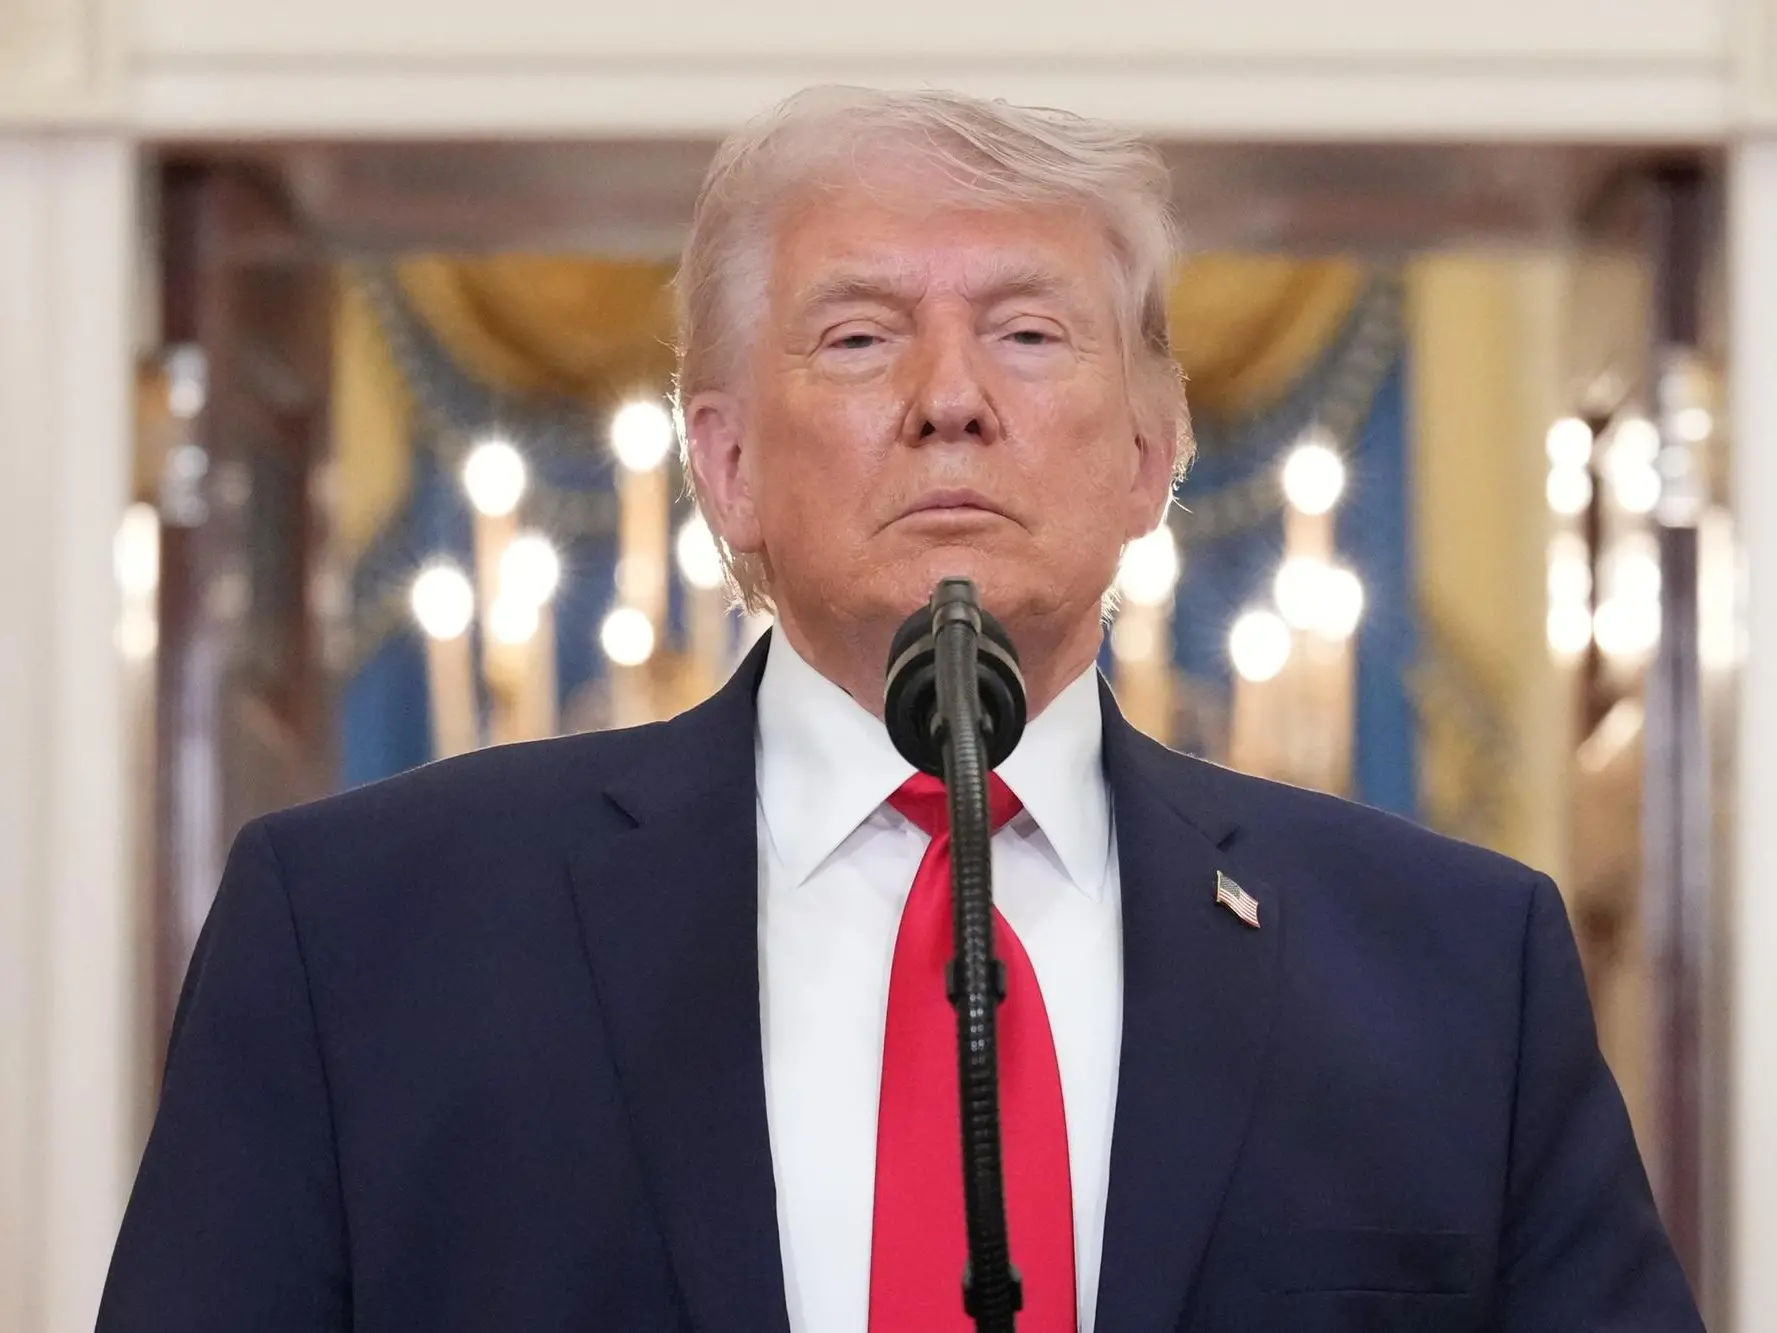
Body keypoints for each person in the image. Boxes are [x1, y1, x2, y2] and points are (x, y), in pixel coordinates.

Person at [98, 87, 1703, 1333]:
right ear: (724, 463)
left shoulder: (1454, 972)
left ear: (1153, 457)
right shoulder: (363, 937)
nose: (952, 396)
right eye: (861, 335)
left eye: (1029, 332)